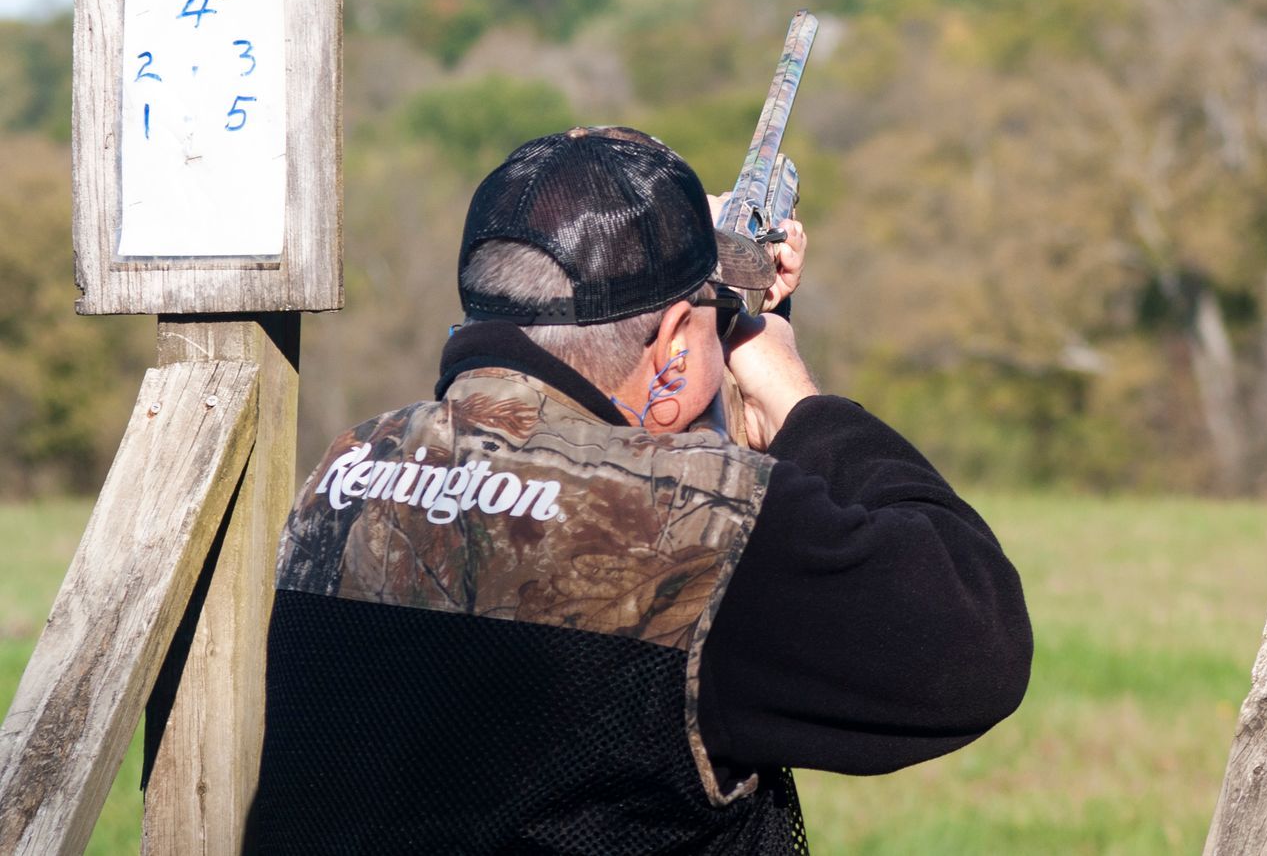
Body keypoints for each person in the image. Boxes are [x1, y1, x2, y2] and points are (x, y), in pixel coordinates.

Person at [244, 126, 1032, 854]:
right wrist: (797, 400)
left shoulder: (347, 467)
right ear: (675, 346)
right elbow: (974, 636)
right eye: (712, 319)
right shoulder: (691, 529)